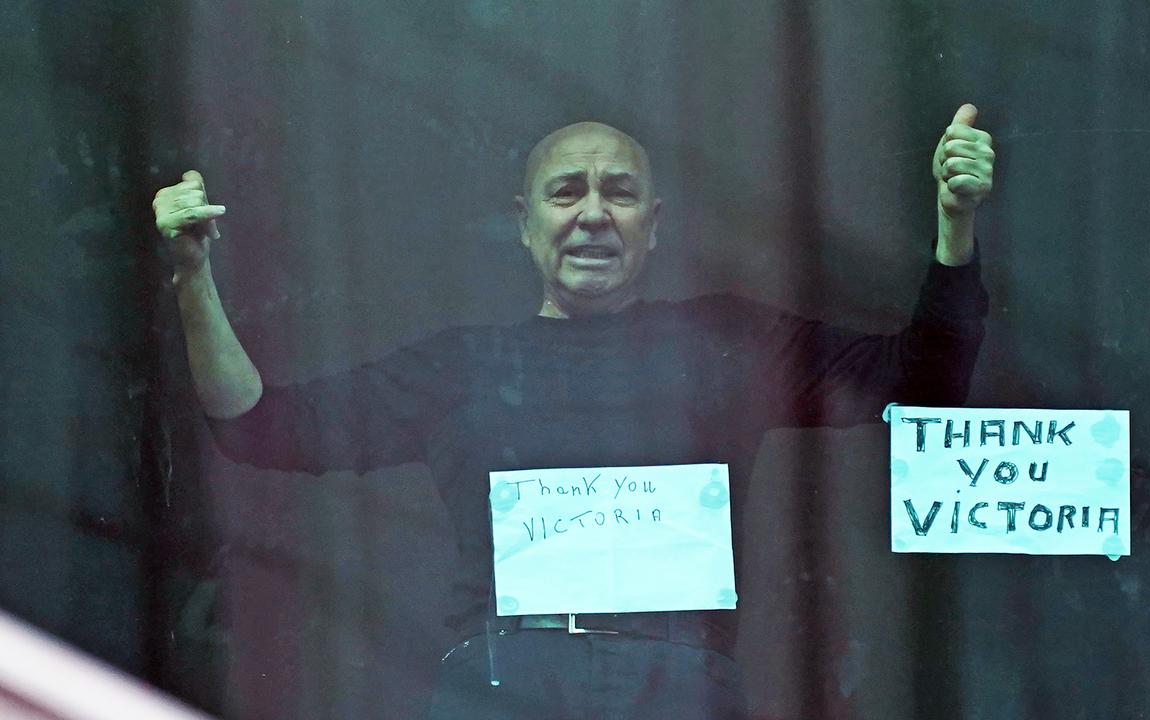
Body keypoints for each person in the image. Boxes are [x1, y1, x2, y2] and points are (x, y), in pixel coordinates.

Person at [153, 107, 995, 719]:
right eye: (566, 192)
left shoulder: (724, 342)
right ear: (525, 225)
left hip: (681, 681)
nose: (593, 212)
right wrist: (194, 277)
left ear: (654, 225)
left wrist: (954, 225)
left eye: (619, 192)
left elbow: (919, 380)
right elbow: (258, 427)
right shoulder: (461, 366)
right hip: (502, 681)